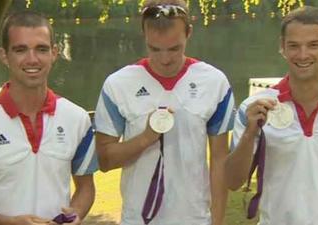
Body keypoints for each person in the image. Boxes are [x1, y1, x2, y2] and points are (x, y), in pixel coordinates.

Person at [0, 11, 98, 225]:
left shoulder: (77, 118)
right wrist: (7, 223)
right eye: (20, 50)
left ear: (54, 53)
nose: (32, 59)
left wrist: (76, 214)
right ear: (4, 55)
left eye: (41, 49)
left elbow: (86, 186)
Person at [94, 0, 235, 224]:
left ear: (189, 32)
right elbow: (104, 161)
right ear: (144, 34)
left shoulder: (214, 82)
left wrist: (216, 221)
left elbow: (219, 159)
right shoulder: (118, 85)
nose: (165, 59)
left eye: (174, 48)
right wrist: (145, 138)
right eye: (155, 49)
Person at [226, 6, 318, 225]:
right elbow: (233, 181)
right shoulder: (254, 106)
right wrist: (250, 133)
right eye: (293, 46)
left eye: (313, 45)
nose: (302, 55)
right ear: (282, 47)